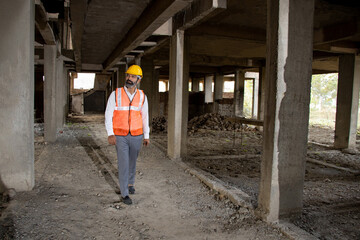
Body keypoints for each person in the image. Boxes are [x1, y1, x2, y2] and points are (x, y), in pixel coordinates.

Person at [105, 64, 150, 205]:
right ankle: (124, 193)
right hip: (120, 136)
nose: (129, 78)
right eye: (128, 75)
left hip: (137, 135)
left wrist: (146, 135)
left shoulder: (142, 96)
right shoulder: (116, 94)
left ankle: (130, 184)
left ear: (138, 80)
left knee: (132, 161)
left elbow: (145, 117)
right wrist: (110, 133)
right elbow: (108, 114)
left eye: (133, 76)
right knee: (124, 163)